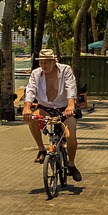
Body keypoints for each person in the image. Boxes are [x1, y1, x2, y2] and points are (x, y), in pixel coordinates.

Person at [23, 49, 81, 182]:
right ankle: (41, 149)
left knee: (70, 136)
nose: (44, 66)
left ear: (54, 62)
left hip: (64, 108)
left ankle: (71, 164)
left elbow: (70, 88)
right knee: (31, 119)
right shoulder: (36, 74)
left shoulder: (65, 70)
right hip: (45, 107)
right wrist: (27, 108)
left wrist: (71, 105)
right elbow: (30, 90)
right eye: (41, 63)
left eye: (47, 63)